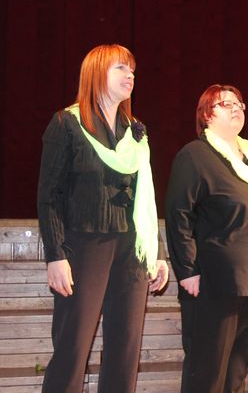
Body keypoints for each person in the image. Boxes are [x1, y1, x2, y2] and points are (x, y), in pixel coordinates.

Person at [37, 44, 169, 393]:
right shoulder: (67, 123)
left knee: (125, 348)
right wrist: (55, 255)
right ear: (96, 73)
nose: (130, 75)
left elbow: (145, 199)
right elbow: (49, 196)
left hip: (131, 247)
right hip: (84, 244)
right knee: (73, 347)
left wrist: (155, 253)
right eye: (121, 68)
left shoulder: (134, 130)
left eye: (132, 70)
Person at [164, 84, 248, 393]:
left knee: (236, 370)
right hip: (216, 279)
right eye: (226, 104)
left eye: (239, 104)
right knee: (207, 371)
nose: (236, 108)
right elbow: (178, 214)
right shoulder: (195, 155)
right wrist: (187, 270)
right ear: (207, 114)